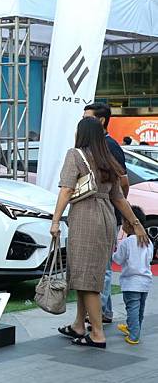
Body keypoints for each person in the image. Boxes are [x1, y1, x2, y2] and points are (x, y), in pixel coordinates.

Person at [52, 117, 148, 349]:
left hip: (86, 217)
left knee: (87, 279)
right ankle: (78, 324)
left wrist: (55, 221)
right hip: (106, 218)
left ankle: (96, 333)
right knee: (89, 273)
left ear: (81, 134)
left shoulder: (75, 155)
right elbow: (118, 197)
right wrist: (135, 222)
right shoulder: (107, 158)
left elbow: (66, 190)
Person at [83, 102, 129, 324]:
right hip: (95, 215)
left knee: (103, 266)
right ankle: (103, 312)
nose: (82, 123)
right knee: (99, 266)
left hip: (108, 215)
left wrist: (116, 204)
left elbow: (123, 183)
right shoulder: (92, 146)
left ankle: (99, 314)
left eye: (87, 118)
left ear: (101, 121)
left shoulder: (109, 146)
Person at [113, 205, 153, 345]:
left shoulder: (126, 242)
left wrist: (113, 252)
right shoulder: (149, 242)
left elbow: (117, 259)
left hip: (131, 283)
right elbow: (149, 258)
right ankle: (133, 328)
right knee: (139, 308)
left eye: (123, 222)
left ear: (129, 224)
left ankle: (133, 335)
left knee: (132, 308)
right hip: (145, 282)